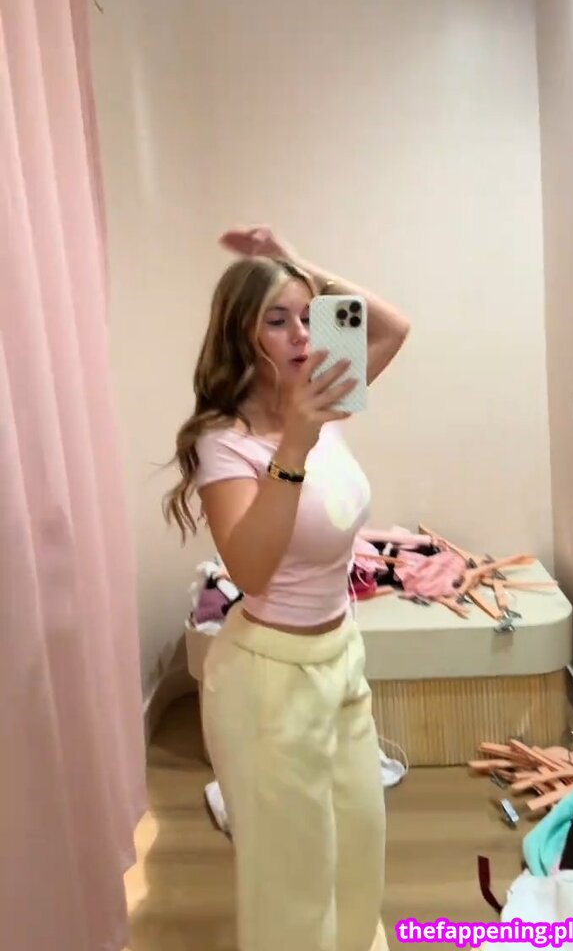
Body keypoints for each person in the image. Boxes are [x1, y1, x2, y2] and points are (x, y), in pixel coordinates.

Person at [163, 225, 410, 951]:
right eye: (279, 319)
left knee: (359, 846)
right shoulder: (224, 440)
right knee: (292, 882)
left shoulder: (324, 397)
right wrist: (294, 443)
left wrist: (290, 256)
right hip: (267, 684)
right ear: (240, 336)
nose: (304, 333)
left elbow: (393, 327)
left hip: (341, 661)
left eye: (309, 315)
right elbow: (250, 570)